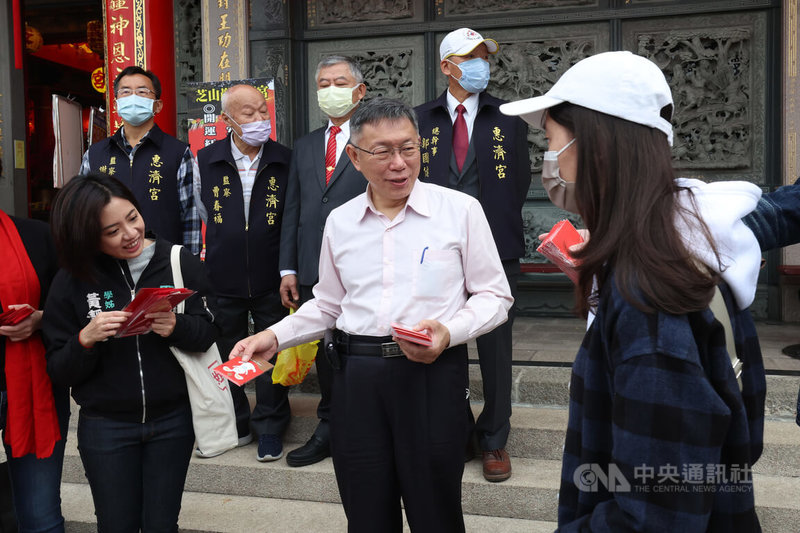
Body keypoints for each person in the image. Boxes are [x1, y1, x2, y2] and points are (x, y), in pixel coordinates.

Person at [501, 51, 766, 530]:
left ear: (597, 147)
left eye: (552, 140)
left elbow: (655, 516)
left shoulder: (649, 300)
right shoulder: (692, 252)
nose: (549, 159)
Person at [231, 98, 513, 532]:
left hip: (431, 375)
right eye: (382, 152)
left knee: (435, 511)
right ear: (354, 157)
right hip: (356, 378)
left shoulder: (459, 211)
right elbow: (327, 303)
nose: (399, 164)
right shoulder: (341, 221)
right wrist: (274, 336)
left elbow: (494, 296)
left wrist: (449, 332)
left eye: (409, 149)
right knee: (365, 510)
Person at [42, 173, 218, 531]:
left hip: (172, 421)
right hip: (105, 427)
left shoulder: (177, 261)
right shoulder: (72, 281)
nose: (131, 234)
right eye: (112, 231)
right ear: (87, 238)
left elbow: (212, 332)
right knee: (115, 524)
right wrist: (85, 340)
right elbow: (59, 370)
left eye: (133, 218)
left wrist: (176, 328)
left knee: (162, 524)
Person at [415, 27, 531, 482]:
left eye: (485, 56)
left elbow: (518, 183)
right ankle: (457, 430)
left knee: (495, 347)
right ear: (448, 66)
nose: (481, 64)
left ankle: (495, 438)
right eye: (471, 57)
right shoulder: (421, 119)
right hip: (437, 251)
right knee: (444, 344)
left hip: (496, 249)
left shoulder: (509, 118)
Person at [274, 55, 368, 467]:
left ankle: (360, 425)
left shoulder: (374, 136)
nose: (331, 90)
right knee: (326, 353)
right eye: (324, 83)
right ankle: (328, 425)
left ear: (359, 91)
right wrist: (288, 268)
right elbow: (293, 208)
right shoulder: (307, 144)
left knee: (361, 348)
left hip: (366, 265)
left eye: (340, 82)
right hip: (314, 267)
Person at [193, 83, 291, 458]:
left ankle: (269, 425)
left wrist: (288, 270)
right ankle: (237, 420)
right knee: (229, 352)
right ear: (227, 120)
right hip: (223, 276)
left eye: (262, 112)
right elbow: (202, 216)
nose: (258, 120)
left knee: (269, 353)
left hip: (271, 277)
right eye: (248, 114)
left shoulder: (284, 158)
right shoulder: (204, 159)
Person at [0, 160, 69, 533]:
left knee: (41, 515)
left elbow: (73, 306)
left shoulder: (36, 236)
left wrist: (40, 318)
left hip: (34, 385)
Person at [79, 66, 202, 255]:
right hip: (108, 264)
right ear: (117, 103)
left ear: (157, 105)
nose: (133, 97)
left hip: (163, 263)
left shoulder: (178, 153)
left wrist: (189, 266)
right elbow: (82, 213)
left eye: (142, 92)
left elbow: (191, 218)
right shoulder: (94, 155)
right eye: (126, 92)